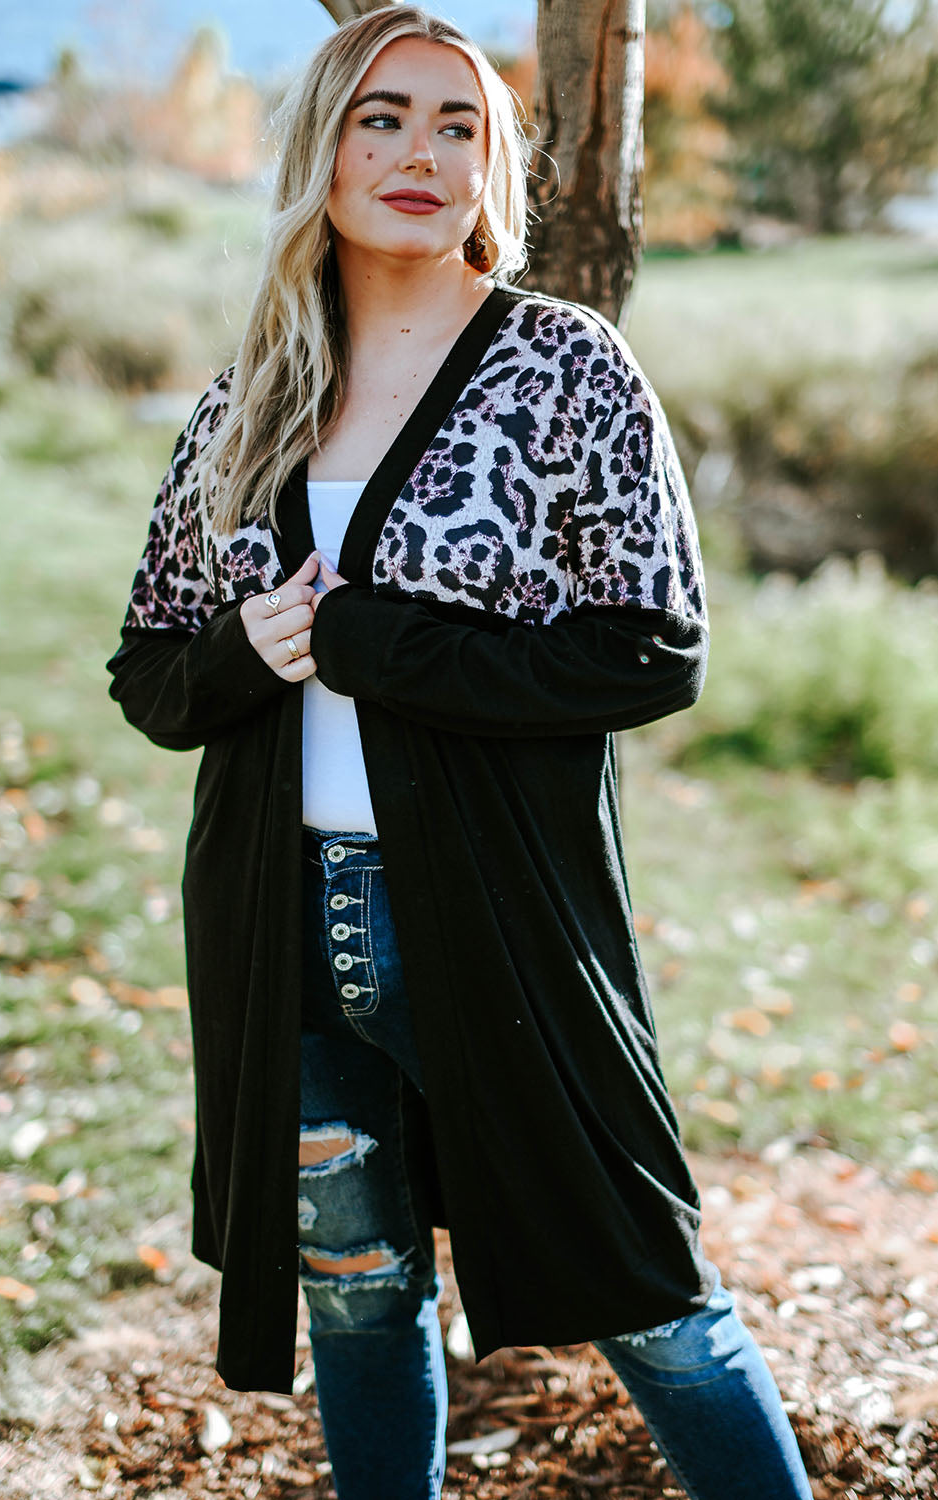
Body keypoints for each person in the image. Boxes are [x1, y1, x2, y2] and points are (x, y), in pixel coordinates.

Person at [107, 7, 814, 1498]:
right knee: (357, 1298)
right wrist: (253, 650)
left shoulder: (565, 367)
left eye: (457, 124)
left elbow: (651, 647)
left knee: (650, 1291)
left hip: (497, 921)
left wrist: (378, 650)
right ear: (321, 147)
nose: (419, 153)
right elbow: (153, 672)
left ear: (494, 162)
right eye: (381, 117)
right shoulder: (255, 396)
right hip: (283, 931)